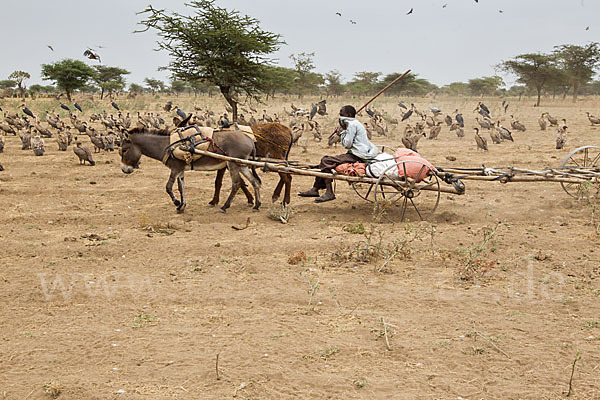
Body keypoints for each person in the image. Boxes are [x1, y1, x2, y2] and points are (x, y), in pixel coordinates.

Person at [299, 105, 378, 202]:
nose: (340, 116)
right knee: (324, 163)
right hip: (356, 153)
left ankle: (329, 192)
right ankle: (315, 189)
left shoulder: (352, 125)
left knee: (325, 160)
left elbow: (347, 144)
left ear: (348, 115)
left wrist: (342, 133)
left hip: (357, 155)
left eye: (342, 114)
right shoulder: (355, 123)